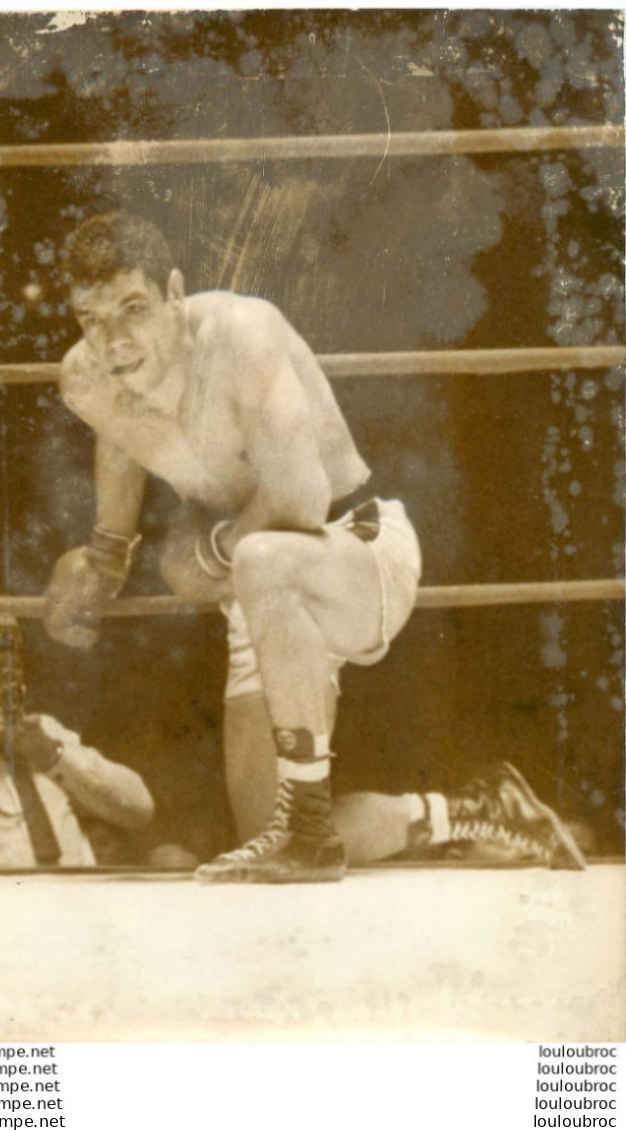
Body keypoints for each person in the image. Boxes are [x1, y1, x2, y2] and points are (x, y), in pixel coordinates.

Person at [44, 212, 586, 882]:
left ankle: (316, 821)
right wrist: (105, 554)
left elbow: (300, 497)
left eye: (133, 308)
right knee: (271, 832)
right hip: (254, 579)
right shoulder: (89, 376)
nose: (115, 339)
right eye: (91, 319)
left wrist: (203, 562)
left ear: (176, 294)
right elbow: (121, 430)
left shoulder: (240, 335)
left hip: (348, 543)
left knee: (258, 560)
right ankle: (473, 809)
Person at [0, 614, 155, 871]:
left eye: (14, 645)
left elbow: (140, 811)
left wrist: (55, 756)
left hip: (72, 900)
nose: (8, 660)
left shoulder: (44, 730)